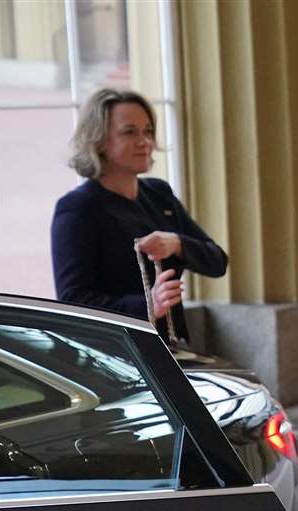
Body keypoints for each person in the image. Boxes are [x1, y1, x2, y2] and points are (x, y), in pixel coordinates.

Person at [51, 87, 227, 341]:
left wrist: (177, 244)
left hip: (174, 348)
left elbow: (217, 262)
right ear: (98, 141)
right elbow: (73, 300)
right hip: (117, 353)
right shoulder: (78, 208)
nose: (144, 141)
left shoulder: (159, 193)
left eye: (148, 131)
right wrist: (147, 304)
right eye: (129, 132)